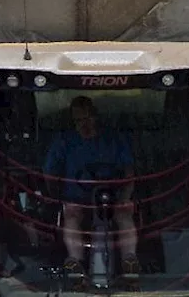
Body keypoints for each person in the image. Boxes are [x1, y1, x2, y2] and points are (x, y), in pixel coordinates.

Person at [42, 95, 140, 278]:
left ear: (95, 116)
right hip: (77, 200)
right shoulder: (64, 141)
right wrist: (58, 199)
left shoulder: (114, 140)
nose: (83, 124)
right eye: (78, 121)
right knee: (71, 215)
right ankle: (75, 264)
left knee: (124, 213)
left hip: (112, 198)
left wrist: (125, 197)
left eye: (87, 118)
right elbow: (49, 174)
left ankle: (130, 261)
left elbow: (129, 172)